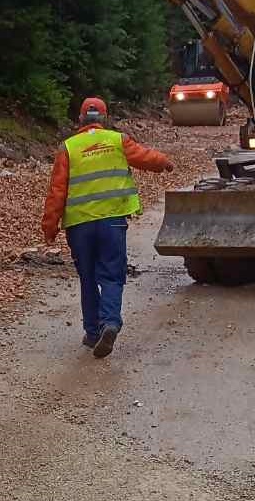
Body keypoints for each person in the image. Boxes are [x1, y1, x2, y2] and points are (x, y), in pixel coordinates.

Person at [42, 97, 173, 358]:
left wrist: (50, 226)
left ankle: (92, 333)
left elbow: (57, 191)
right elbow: (145, 157)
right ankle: (110, 322)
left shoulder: (68, 147)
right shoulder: (117, 140)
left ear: (80, 119)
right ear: (104, 118)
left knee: (88, 278)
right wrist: (164, 162)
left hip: (79, 225)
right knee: (112, 274)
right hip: (112, 221)